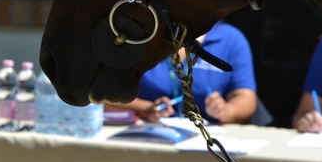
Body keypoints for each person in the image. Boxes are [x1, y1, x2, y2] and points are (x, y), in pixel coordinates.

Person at [106, 21, 257, 124]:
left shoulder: (231, 39)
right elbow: (104, 95)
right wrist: (146, 109)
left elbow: (246, 97)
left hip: (206, 142)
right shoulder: (141, 34)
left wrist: (227, 110)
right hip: (146, 139)